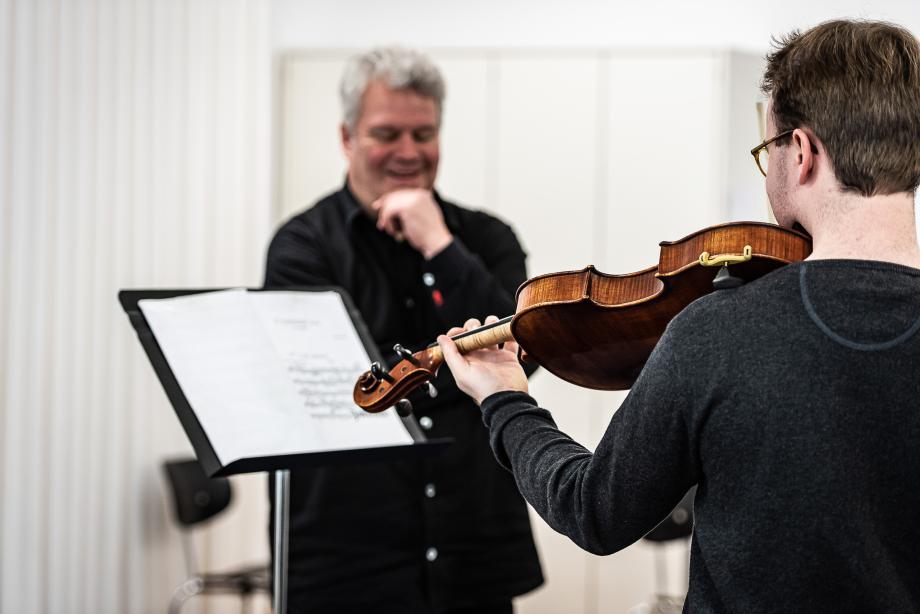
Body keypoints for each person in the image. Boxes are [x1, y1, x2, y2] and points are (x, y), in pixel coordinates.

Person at [438, 19, 920, 612]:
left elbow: (594, 511)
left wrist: (504, 400)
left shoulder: (720, 330)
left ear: (802, 152)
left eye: (767, 149)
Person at [264, 47, 543, 614]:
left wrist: (439, 245)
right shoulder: (302, 246)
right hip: (347, 552)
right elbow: (328, 382)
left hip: (472, 545)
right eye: (387, 133)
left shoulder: (486, 240)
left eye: (424, 133)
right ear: (347, 138)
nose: (408, 152)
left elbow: (523, 354)